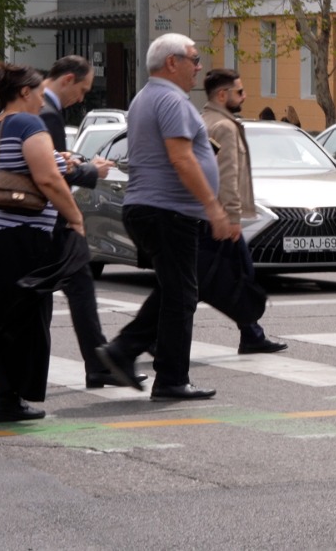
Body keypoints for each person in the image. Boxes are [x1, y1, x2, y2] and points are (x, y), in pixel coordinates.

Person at [95, 34, 240, 402]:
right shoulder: (171, 99)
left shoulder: (146, 97)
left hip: (154, 209)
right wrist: (213, 206)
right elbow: (181, 158)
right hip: (168, 211)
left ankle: (124, 351)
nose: (199, 67)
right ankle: (169, 379)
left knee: (175, 290)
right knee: (181, 296)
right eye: (194, 58)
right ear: (172, 62)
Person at [0, 62, 88, 422]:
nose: (42, 101)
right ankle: (10, 398)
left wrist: (61, 161)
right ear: (25, 92)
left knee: (0, 316)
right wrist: (75, 218)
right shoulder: (28, 123)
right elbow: (47, 179)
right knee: (27, 319)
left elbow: (20, 168)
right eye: (39, 93)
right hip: (21, 237)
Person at [38, 57, 129, 389]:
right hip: (51, 220)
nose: (81, 98)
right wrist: (92, 171)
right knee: (49, 297)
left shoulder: (38, 109)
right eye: (83, 90)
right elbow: (50, 173)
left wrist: (77, 163)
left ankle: (98, 366)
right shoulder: (46, 113)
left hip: (42, 221)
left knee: (70, 291)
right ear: (67, 79)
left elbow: (53, 163)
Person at [200, 69, 287, 354]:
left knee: (229, 275)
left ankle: (252, 333)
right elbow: (227, 177)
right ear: (222, 95)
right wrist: (233, 218)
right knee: (213, 279)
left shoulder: (205, 120)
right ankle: (153, 334)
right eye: (239, 92)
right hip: (221, 219)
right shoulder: (224, 127)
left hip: (209, 215)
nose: (244, 96)